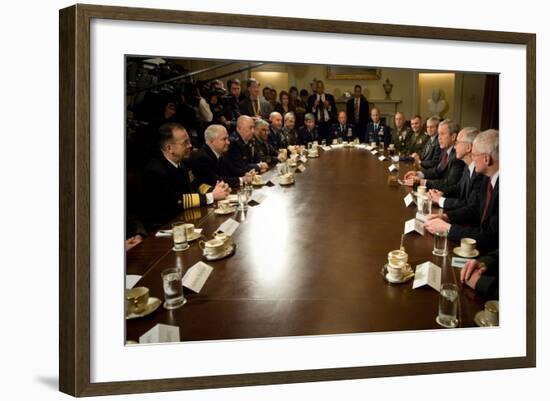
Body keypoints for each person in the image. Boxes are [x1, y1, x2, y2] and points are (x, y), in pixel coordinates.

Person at [142, 122, 229, 228]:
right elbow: (178, 201)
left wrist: (215, 189)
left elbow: (196, 185)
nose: (190, 145)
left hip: (186, 220)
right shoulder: (155, 171)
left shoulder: (182, 163)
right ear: (169, 148)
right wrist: (212, 196)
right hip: (165, 227)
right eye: (185, 143)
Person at [424, 129, 499, 249]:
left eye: (474, 155)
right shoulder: (488, 178)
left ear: (486, 159)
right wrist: (446, 217)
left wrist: (447, 228)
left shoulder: (485, 177)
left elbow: (491, 236)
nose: (472, 160)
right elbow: (475, 209)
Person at [428, 127, 483, 210]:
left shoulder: (480, 172)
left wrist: (441, 200)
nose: (454, 147)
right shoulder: (467, 165)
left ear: (468, 147)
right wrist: (441, 193)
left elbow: (470, 205)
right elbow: (458, 187)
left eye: (457, 143)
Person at [403, 119, 464, 190]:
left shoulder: (457, 156)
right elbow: (437, 171)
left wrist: (423, 182)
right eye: (438, 134)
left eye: (442, 134)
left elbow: (448, 183)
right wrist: (418, 174)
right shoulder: (445, 151)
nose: (439, 138)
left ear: (453, 137)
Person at [190, 124, 255, 189]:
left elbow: (231, 171)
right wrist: (242, 179)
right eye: (224, 139)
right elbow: (215, 181)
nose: (228, 142)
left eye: (228, 138)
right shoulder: (202, 157)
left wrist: (246, 174)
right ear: (211, 141)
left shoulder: (221, 154)